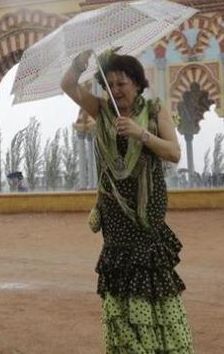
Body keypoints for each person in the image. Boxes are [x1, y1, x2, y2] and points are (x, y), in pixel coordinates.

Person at [62, 49, 193, 353]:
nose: (117, 90)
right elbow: (69, 86)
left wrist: (141, 134)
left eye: (122, 83)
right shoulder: (103, 110)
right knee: (121, 288)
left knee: (152, 285)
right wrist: (77, 65)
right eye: (110, 83)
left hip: (147, 214)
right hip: (115, 217)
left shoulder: (155, 110)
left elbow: (173, 153)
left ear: (136, 83)